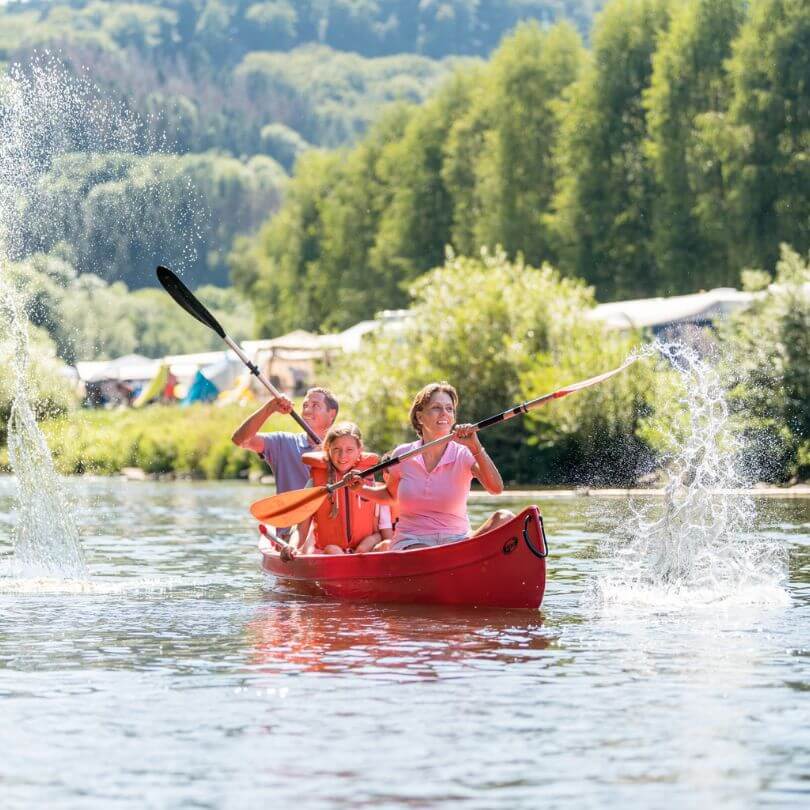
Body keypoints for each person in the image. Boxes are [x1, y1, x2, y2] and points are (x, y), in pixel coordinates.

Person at [350, 382, 513, 551]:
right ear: (420, 417)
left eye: (449, 409)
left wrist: (476, 447)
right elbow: (391, 496)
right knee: (425, 551)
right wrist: (359, 489)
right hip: (412, 541)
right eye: (436, 408)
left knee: (505, 517)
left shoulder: (464, 453)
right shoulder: (403, 454)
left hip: (457, 540)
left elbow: (496, 488)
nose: (444, 413)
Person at [231, 386, 339, 544]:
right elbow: (240, 440)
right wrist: (269, 408)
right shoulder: (283, 442)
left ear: (332, 414)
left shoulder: (343, 451)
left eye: (315, 406)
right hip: (292, 536)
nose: (307, 410)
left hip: (331, 535)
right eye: (305, 405)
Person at [296, 422, 393, 555]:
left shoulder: (371, 482)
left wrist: (378, 546)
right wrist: (293, 547)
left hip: (366, 549)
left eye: (349, 450)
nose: (342, 456)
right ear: (328, 450)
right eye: (336, 449)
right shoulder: (315, 483)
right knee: (333, 550)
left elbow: (384, 532)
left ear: (360, 450)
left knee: (377, 546)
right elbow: (301, 528)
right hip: (331, 551)